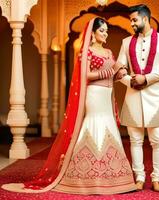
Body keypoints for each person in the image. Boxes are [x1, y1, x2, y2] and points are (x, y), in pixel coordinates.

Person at [2, 17, 136, 195]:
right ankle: (82, 174)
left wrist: (122, 72)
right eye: (102, 31)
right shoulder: (86, 52)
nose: (105, 34)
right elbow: (85, 75)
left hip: (106, 95)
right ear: (93, 34)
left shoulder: (109, 52)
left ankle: (111, 176)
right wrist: (110, 71)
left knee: (109, 125)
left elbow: (114, 75)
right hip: (94, 95)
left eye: (106, 31)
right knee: (96, 124)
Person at [115, 4, 159, 192]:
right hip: (133, 96)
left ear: (145, 19)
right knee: (135, 140)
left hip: (156, 98)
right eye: (131, 20)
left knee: (157, 139)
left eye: (134, 20)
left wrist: (146, 78)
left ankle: (157, 179)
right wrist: (129, 81)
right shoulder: (126, 42)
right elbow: (119, 68)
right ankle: (139, 178)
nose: (132, 23)